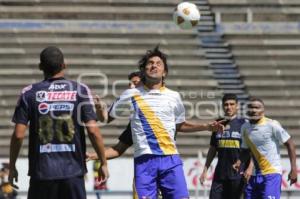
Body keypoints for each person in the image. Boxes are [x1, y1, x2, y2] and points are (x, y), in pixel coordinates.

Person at [107, 46, 224, 198]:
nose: (154, 65)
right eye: (150, 63)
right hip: (144, 161)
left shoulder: (174, 96)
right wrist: (96, 108)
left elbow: (180, 125)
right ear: (144, 70)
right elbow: (106, 117)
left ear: (165, 72)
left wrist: (206, 126)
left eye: (158, 63)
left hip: (170, 159)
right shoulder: (131, 94)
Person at [8, 46, 109, 199]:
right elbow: (93, 131)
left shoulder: (29, 93)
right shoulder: (80, 90)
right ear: (64, 65)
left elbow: (18, 135)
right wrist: (103, 162)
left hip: (41, 173)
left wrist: (12, 165)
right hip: (73, 172)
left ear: (40, 67)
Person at [233, 97, 297, 199]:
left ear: (263, 110)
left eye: (257, 107)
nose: (254, 110)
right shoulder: (244, 127)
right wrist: (239, 161)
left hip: (271, 174)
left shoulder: (272, 125)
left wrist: (294, 169)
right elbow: (246, 150)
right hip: (253, 176)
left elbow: (290, 144)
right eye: (251, 107)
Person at [199, 94, 252, 199]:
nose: (229, 107)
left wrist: (250, 168)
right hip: (220, 175)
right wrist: (205, 170)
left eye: (232, 104)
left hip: (238, 175)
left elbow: (252, 150)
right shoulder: (218, 124)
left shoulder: (244, 124)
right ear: (223, 106)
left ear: (237, 106)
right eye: (226, 104)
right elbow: (213, 149)